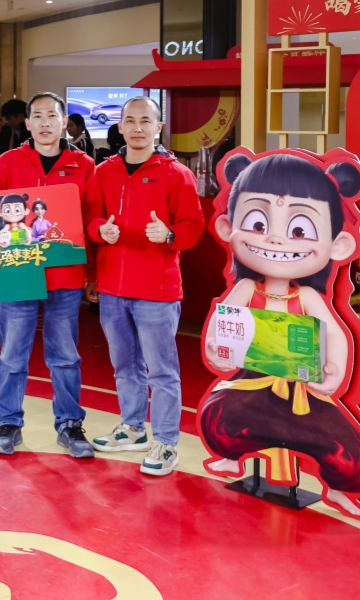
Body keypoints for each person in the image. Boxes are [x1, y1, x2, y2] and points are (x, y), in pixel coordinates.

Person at [200, 151, 360, 517]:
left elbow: (335, 334)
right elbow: (223, 322)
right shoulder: (246, 289)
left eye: (298, 230)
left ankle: (340, 488)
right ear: (227, 228)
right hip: (251, 384)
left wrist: (333, 370)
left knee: (349, 453)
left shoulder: (307, 296)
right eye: (258, 224)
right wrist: (217, 349)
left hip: (302, 390)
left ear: (338, 245)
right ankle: (231, 458)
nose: (276, 240)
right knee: (216, 417)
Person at [84, 96, 204, 476]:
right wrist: (99, 230)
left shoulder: (176, 174)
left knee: (161, 371)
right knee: (124, 365)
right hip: (113, 288)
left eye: (146, 121)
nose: (137, 128)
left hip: (157, 290)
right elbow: (90, 217)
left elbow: (193, 226)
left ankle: (166, 442)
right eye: (130, 121)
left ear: (158, 127)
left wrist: (169, 234)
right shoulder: (103, 172)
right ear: (119, 127)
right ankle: (133, 428)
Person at [0, 92, 98, 459]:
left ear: (64, 121)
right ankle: (8, 422)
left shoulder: (83, 164)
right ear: (28, 122)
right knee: (12, 353)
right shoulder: (8, 162)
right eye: (37, 116)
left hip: (65, 275)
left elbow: (92, 217)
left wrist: (93, 273)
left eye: (52, 115)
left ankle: (70, 423)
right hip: (18, 272)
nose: (45, 122)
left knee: (64, 355)